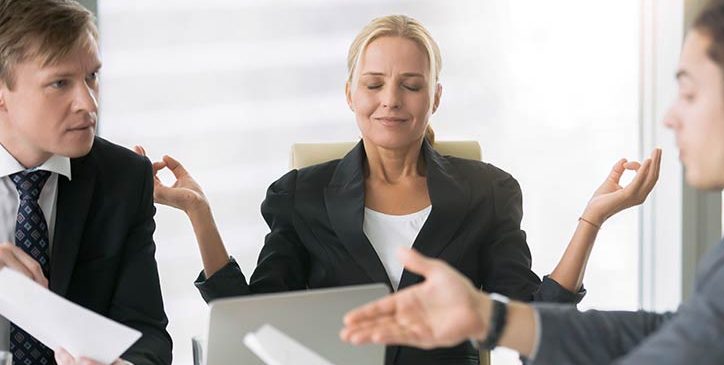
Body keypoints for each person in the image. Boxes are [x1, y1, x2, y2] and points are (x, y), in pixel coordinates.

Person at [139, 15, 658, 365]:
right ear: (350, 94)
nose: (391, 100)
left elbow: (535, 325)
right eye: (374, 84)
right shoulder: (300, 195)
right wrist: (200, 215)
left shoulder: (488, 191)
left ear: (435, 97)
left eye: (411, 86)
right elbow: (253, 327)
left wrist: (592, 220)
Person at [340, 0, 724, 364]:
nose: (670, 116)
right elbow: (675, 331)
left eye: (690, 93)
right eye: (374, 85)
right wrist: (489, 317)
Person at [0, 0, 172, 364]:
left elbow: (148, 335)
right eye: (60, 83)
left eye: (92, 76)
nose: (89, 103)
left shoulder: (123, 179)